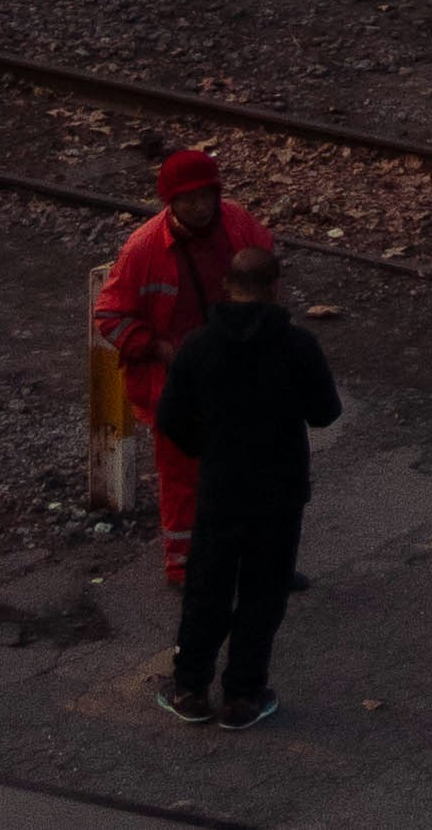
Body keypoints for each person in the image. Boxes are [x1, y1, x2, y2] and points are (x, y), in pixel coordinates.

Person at [155, 242, 341, 732]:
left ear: (227, 286)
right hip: (279, 492)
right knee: (264, 591)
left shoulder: (197, 345)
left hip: (220, 488)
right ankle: (242, 695)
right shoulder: (298, 345)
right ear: (275, 287)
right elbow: (326, 412)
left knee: (207, 588)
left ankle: (189, 688)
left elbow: (170, 417)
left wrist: (207, 448)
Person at [94, 142, 272, 591]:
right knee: (182, 478)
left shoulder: (237, 223)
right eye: (189, 199)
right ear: (170, 202)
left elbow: (265, 271)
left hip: (235, 373)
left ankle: (254, 558)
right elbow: (110, 317)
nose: (199, 206)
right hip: (178, 385)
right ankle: (183, 566)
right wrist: (156, 347)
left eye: (205, 196)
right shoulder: (144, 249)